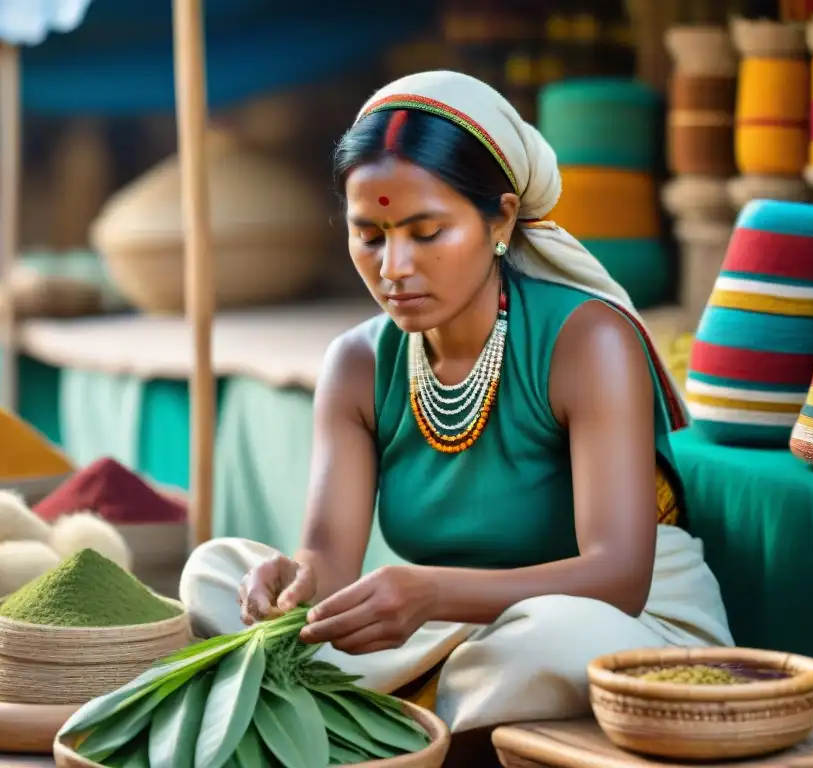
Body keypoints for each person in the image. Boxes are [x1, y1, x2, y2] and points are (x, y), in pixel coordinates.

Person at [180, 71, 734, 735]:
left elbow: (619, 578)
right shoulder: (358, 364)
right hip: (446, 627)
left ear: (500, 218)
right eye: (371, 235)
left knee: (544, 640)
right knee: (211, 572)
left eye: (426, 231)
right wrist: (288, 588)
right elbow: (327, 566)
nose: (395, 267)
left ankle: (377, 717)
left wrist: (433, 591)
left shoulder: (588, 341)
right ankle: (420, 711)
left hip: (613, 624)